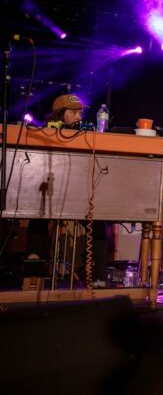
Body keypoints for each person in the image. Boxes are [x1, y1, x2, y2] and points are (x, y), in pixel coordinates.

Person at [27, 93, 109, 287]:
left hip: (78, 195)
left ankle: (99, 278)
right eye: (74, 112)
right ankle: (35, 275)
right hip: (52, 192)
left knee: (97, 220)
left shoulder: (86, 136)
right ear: (60, 114)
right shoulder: (44, 134)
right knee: (36, 219)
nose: (79, 116)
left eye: (80, 113)